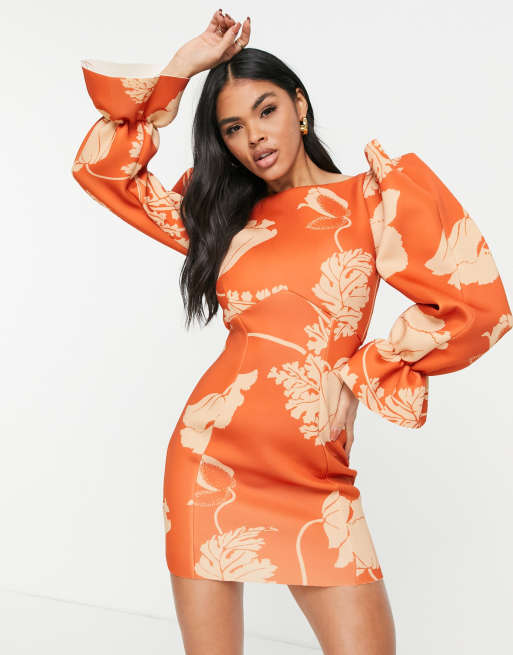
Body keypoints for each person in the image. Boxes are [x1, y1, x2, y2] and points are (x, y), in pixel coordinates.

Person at [71, 9, 512, 655]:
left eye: (266, 110)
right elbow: (103, 170)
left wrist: (363, 371)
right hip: (209, 459)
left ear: (298, 106)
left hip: (315, 474)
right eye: (232, 127)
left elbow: (477, 304)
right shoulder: (222, 214)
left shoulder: (372, 198)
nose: (254, 136)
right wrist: (182, 68)